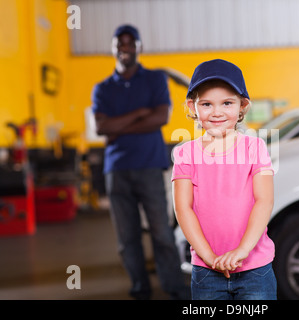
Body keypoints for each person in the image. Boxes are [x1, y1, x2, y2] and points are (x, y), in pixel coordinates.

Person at [91, 24, 189, 300]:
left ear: (139, 46)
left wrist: (117, 127)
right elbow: (100, 127)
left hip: (149, 166)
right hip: (116, 171)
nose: (125, 47)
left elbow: (161, 118)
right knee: (127, 238)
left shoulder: (155, 79)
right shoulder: (102, 89)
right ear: (113, 48)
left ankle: (175, 288)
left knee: (161, 232)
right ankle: (140, 288)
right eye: (119, 43)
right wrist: (141, 114)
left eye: (130, 42)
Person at [171, 59, 277, 300]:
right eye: (207, 104)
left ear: (242, 106)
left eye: (227, 103)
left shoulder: (255, 147)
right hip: (207, 272)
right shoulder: (185, 153)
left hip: (255, 269)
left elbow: (264, 201)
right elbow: (182, 208)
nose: (217, 112)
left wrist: (242, 251)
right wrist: (209, 258)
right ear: (192, 106)